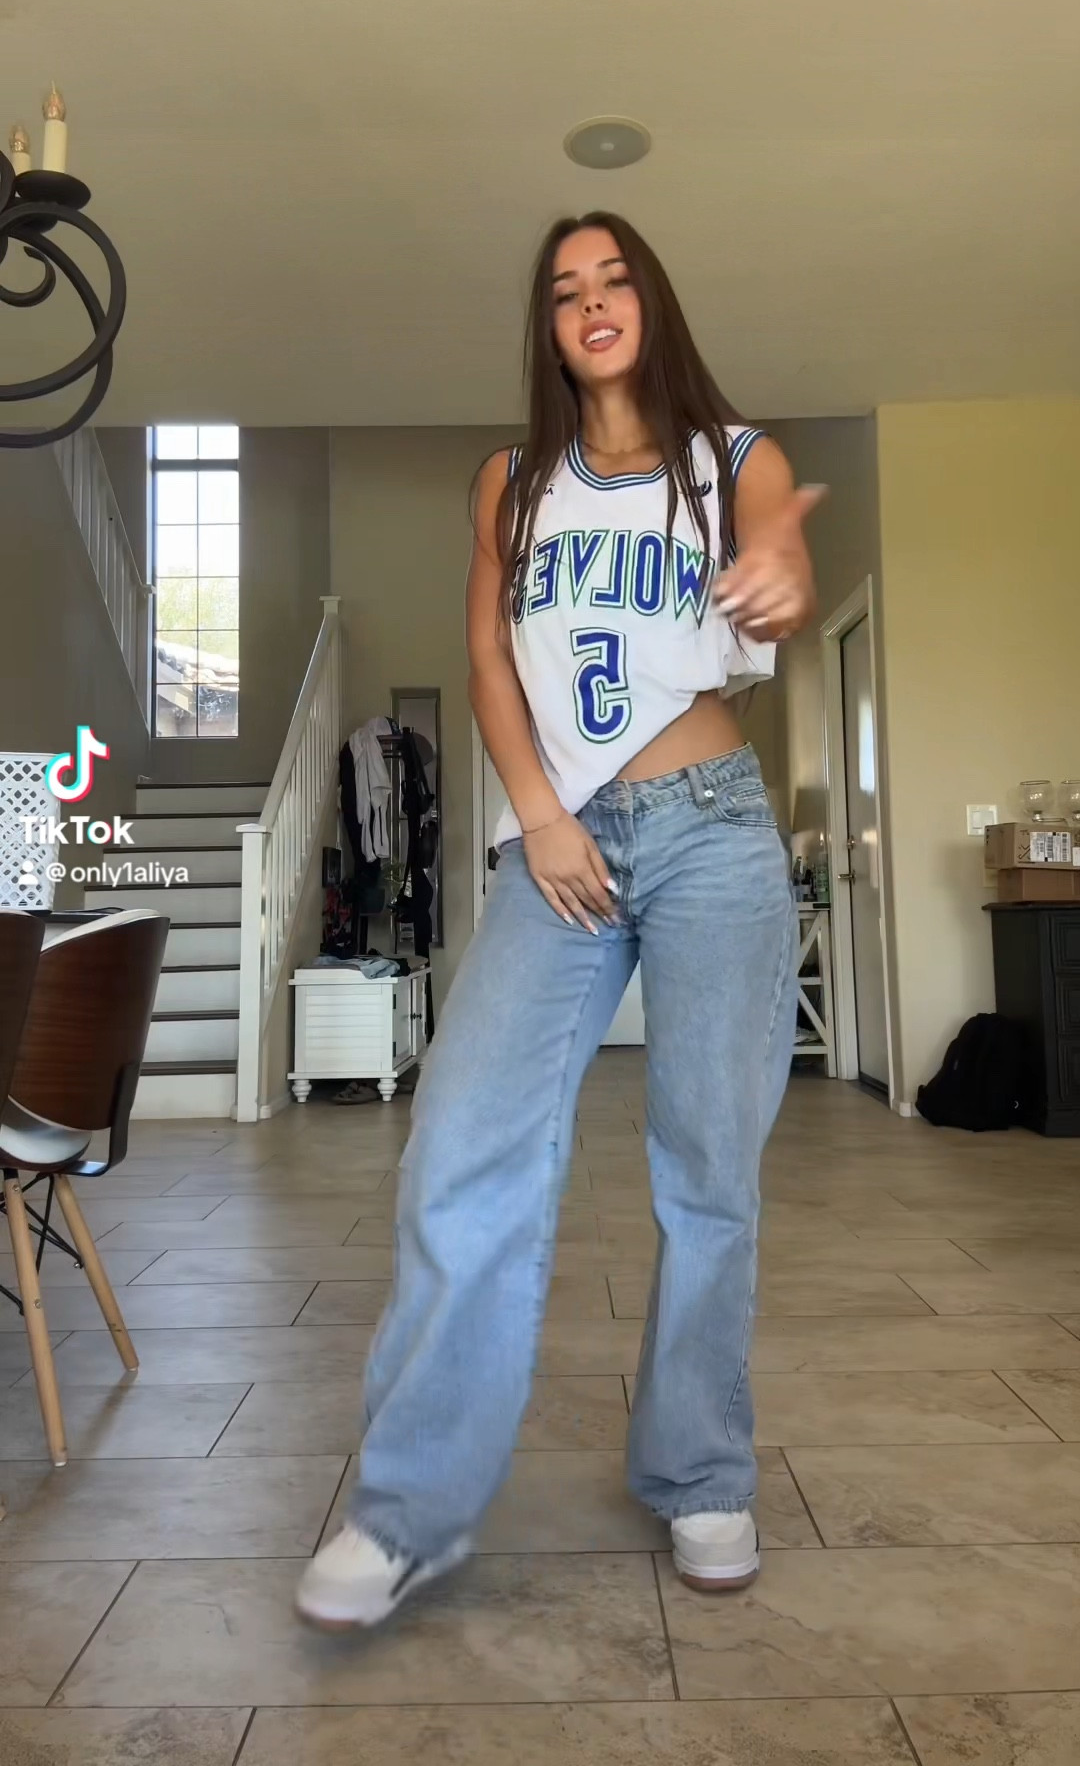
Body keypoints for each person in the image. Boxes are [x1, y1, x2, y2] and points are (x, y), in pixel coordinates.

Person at [298, 211, 821, 1630]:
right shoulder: (512, 482)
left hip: (712, 828)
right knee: (462, 1140)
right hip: (561, 842)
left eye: (615, 279)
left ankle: (699, 1469)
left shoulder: (733, 458)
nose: (592, 302)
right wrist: (536, 813)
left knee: (709, 1169)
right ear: (548, 326)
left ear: (652, 302)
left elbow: (781, 541)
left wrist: (780, 571)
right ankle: (408, 1508)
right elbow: (487, 657)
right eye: (564, 289)